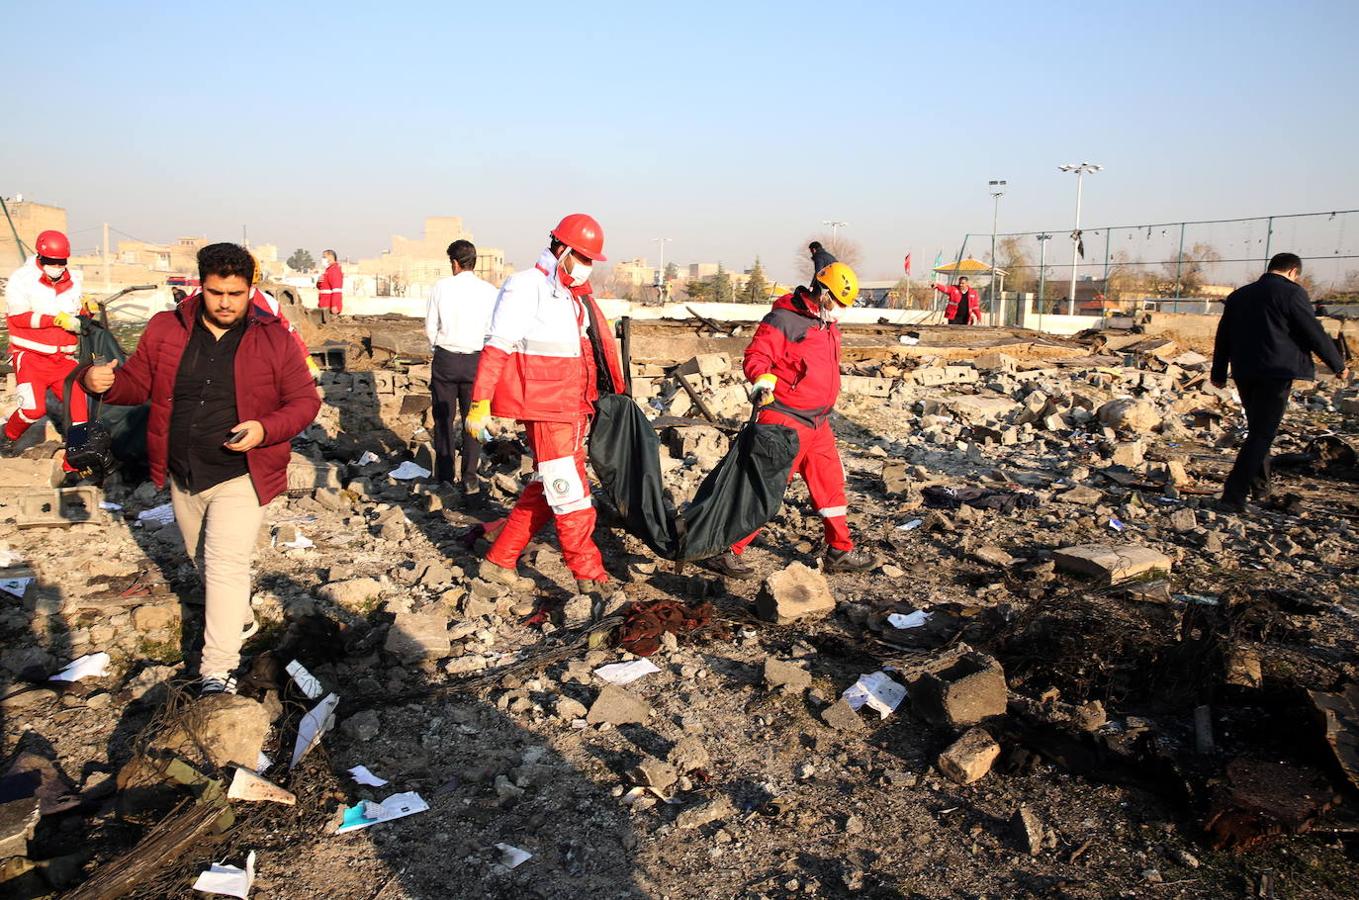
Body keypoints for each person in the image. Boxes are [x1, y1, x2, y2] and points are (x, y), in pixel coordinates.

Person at [79, 243, 320, 694]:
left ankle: (216, 671)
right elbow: (138, 384)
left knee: (226, 564)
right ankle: (240, 619)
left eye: (236, 292)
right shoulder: (165, 330)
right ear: (200, 287)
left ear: (251, 288)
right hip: (183, 473)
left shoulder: (274, 338)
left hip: (242, 472)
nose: (226, 302)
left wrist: (265, 429)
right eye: (216, 293)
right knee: (202, 562)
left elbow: (306, 402)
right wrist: (102, 384)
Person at [465, 214, 625, 596]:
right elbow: (497, 346)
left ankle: (499, 560)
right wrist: (479, 401)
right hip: (546, 409)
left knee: (545, 488)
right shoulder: (526, 287)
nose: (587, 267)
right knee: (571, 494)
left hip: (570, 408)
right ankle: (590, 578)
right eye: (583, 258)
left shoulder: (572, 297)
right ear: (563, 250)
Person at [705, 243, 877, 579]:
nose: (841, 310)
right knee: (766, 487)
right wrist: (761, 381)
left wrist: (819, 252)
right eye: (839, 302)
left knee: (830, 485)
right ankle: (727, 550)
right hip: (785, 419)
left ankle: (840, 549)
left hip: (818, 421)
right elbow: (757, 356)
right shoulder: (784, 319)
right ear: (822, 292)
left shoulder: (826, 322)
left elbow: (826, 264)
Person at [1210, 252, 1349, 512]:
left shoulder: (1239, 295)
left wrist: (1218, 372)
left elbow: (1223, 336)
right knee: (1262, 434)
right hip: (1276, 373)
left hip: (1244, 372)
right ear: (1294, 272)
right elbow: (1313, 332)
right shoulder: (1292, 293)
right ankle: (1233, 494)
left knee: (1257, 432)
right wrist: (1337, 365)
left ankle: (1261, 491)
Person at [1, 229, 92, 479]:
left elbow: (76, 313)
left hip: (62, 359)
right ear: (40, 257)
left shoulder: (74, 280)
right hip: (30, 356)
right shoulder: (22, 280)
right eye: (52, 262)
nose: (56, 266)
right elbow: (18, 317)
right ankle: (7, 436)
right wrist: (55, 320)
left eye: (61, 262)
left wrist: (86, 310)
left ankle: (74, 462)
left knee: (79, 407)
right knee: (32, 409)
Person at [426, 239, 498, 491]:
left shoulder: (441, 287)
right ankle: (469, 478)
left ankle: (445, 478)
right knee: (473, 421)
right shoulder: (489, 291)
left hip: (446, 359)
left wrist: (439, 347)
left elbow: (430, 326)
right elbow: (493, 330)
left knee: (443, 419)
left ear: (454, 263)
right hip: (476, 362)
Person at [316, 249, 344, 319]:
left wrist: (335, 305)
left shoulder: (334, 270)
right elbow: (322, 287)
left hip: (329, 306)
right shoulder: (328, 270)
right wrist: (319, 282)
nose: (322, 259)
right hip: (324, 304)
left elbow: (337, 290)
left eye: (324, 257)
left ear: (330, 257)